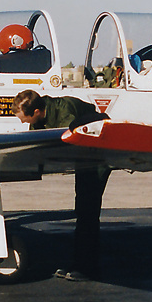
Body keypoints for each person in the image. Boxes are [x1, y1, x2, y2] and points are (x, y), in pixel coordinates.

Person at [12, 89, 110, 281]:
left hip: (97, 156)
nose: (22, 122)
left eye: (24, 119)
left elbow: (70, 146)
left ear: (37, 112)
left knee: (87, 211)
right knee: (82, 210)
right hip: (84, 158)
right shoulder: (39, 114)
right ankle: (79, 263)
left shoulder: (66, 115)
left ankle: (87, 268)